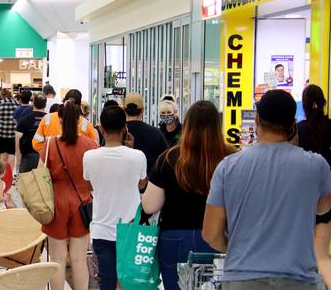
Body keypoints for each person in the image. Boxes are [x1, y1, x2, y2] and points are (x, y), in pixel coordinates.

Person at [203, 90, 331, 290]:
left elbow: (211, 233)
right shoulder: (316, 165)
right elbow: (324, 207)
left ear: (256, 119)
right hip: (298, 280)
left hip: (241, 279)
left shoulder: (228, 167)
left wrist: (238, 249)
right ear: (293, 124)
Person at [142, 100, 235, 290]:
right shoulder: (232, 158)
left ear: (188, 125)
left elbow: (149, 206)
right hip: (219, 236)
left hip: (174, 238)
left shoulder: (168, 158)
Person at [84, 105, 147, 290]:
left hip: (101, 228)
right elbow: (142, 185)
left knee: (106, 279)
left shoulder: (89, 157)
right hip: (130, 227)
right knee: (129, 279)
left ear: (101, 128)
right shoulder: (137, 156)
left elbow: (89, 186)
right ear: (124, 128)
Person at [40, 101, 99, 290]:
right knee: (79, 258)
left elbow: (41, 175)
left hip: (56, 204)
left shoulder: (50, 143)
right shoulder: (91, 145)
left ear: (59, 119)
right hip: (82, 203)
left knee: (56, 258)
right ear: (79, 119)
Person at [297, 84, 331, 290]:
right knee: (321, 251)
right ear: (323, 103)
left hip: (303, 200)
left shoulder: (298, 131)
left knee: (303, 252)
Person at [32, 89, 99, 153]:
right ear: (79, 105)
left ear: (64, 101)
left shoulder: (47, 118)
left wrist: (49, 155)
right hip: (76, 163)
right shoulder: (85, 124)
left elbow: (36, 143)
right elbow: (94, 147)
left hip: (52, 163)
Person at [124, 92, 168, 175]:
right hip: (151, 182)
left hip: (124, 182)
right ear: (142, 110)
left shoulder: (117, 133)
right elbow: (166, 159)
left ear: (124, 109)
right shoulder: (156, 133)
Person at [15, 94, 47, 173]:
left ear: (33, 103)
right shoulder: (50, 121)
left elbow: (17, 141)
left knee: (26, 184)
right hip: (45, 158)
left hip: (27, 158)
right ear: (45, 105)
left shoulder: (23, 120)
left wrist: (18, 162)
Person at [0, 88, 19, 167]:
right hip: (12, 134)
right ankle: (10, 173)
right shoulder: (17, 104)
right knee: (12, 153)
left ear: (2, 96)